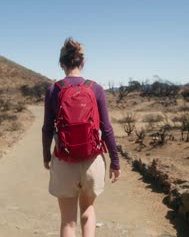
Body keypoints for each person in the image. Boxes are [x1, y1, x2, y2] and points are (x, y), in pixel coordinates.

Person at [42, 37, 121, 237]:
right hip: (92, 161)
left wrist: (46, 156)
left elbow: (47, 129)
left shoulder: (53, 90)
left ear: (61, 64)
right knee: (88, 212)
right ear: (82, 62)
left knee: (68, 221)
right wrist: (115, 161)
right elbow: (107, 128)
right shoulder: (95, 88)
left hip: (64, 159)